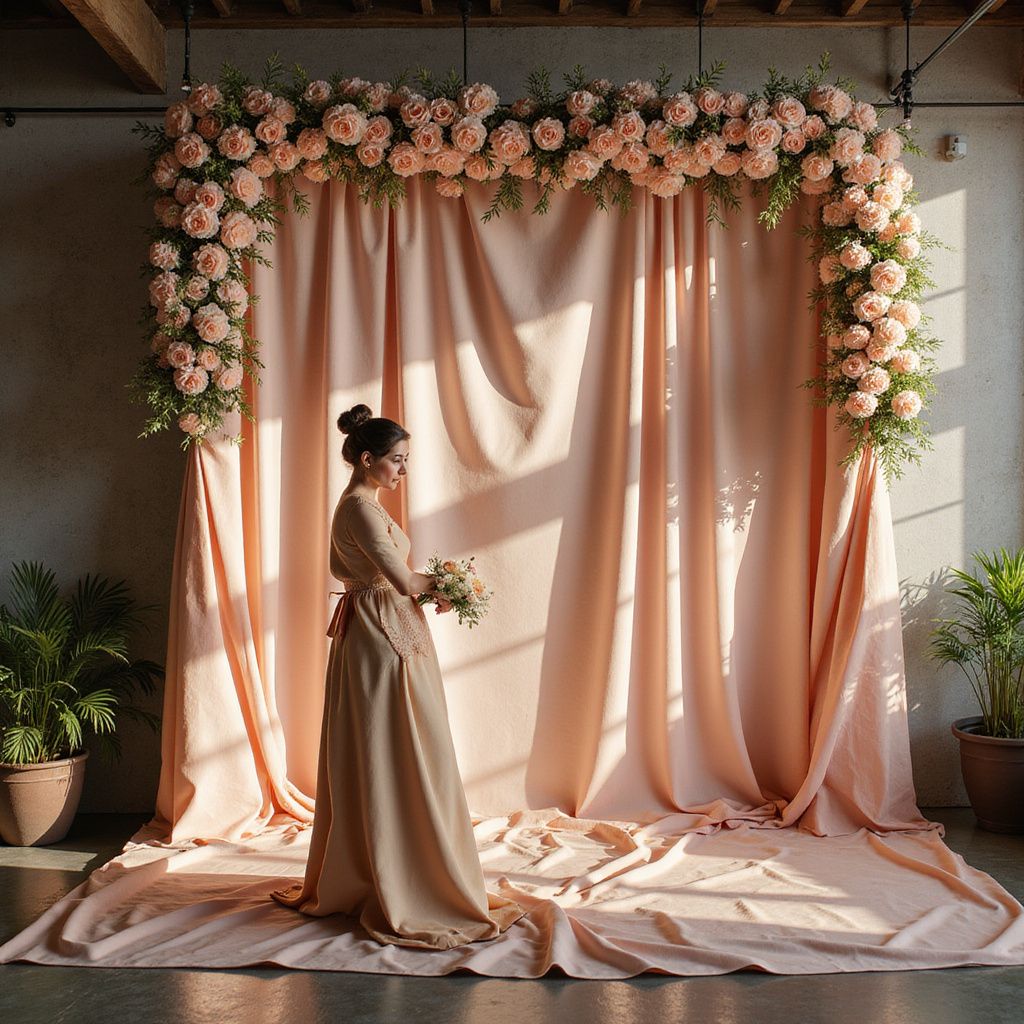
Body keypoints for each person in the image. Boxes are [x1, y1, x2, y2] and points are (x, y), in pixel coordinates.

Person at [269, 404, 527, 949]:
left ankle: (406, 864)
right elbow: (403, 581)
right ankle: (404, 877)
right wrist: (454, 585)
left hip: (387, 627)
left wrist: (440, 586)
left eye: (406, 460)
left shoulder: (367, 504)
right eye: (397, 460)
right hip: (379, 634)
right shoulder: (360, 510)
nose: (403, 470)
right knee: (395, 745)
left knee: (405, 744)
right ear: (368, 459)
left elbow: (401, 582)